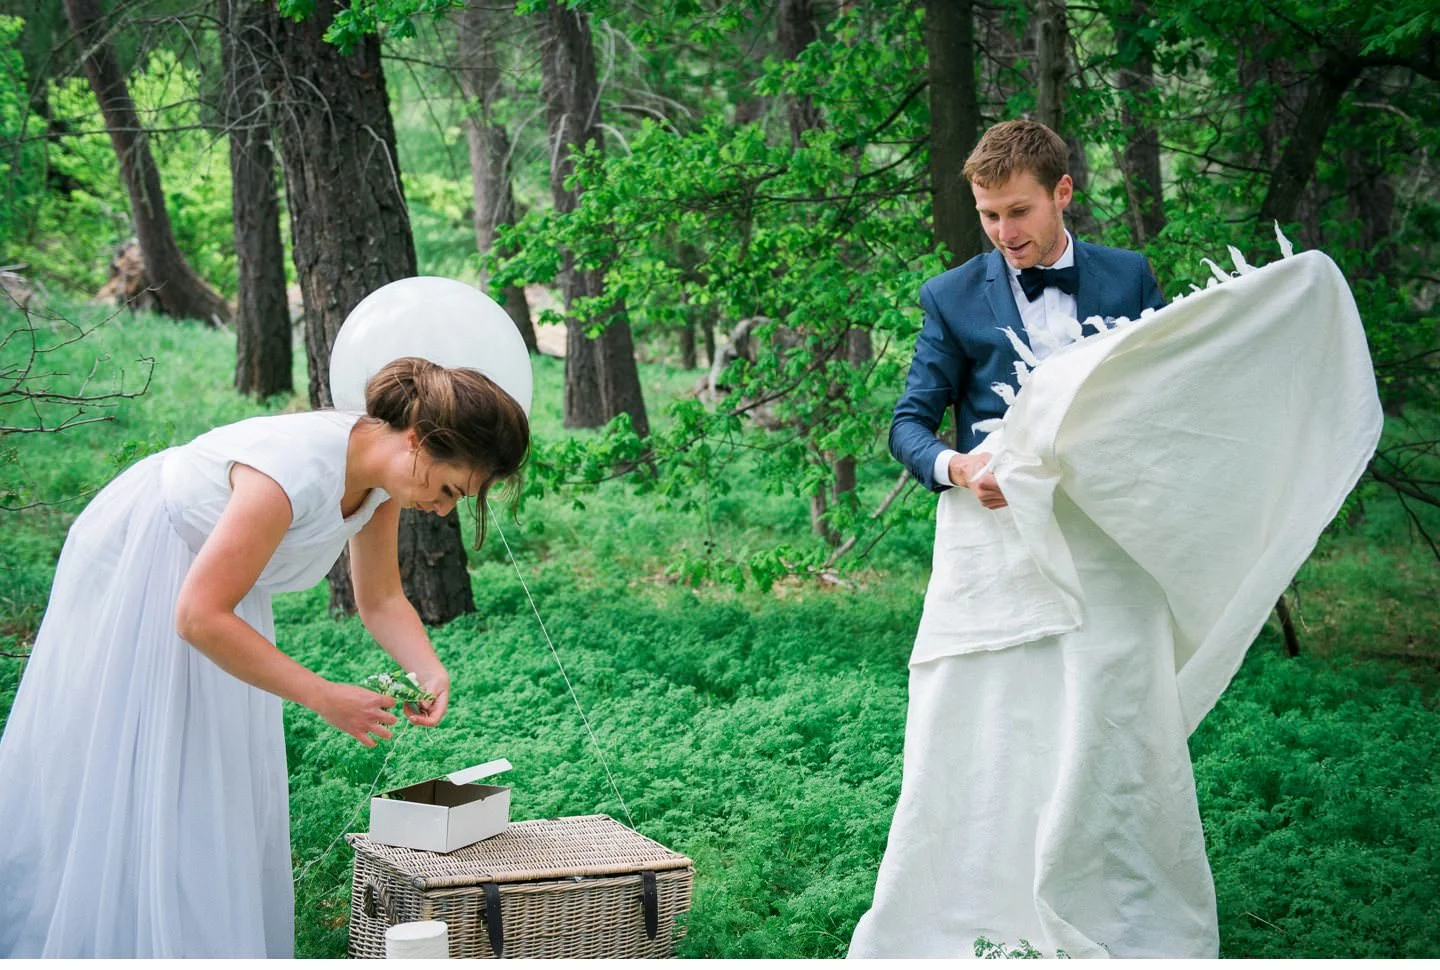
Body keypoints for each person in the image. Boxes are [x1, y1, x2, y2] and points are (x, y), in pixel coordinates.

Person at [0, 356, 530, 958]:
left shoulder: (382, 481)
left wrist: (428, 668)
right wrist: (323, 695)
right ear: (419, 440)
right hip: (151, 561)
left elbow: (380, 598)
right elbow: (198, 615)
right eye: (448, 490)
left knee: (212, 776)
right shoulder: (292, 472)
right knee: (133, 757)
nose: (441, 510)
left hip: (224, 591)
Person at [849, 120, 1203, 957]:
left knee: (1111, 722)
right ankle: (986, 908)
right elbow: (907, 423)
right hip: (994, 544)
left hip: (1108, 544)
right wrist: (956, 470)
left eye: (1018, 211)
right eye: (988, 215)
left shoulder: (1128, 275)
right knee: (994, 725)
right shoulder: (950, 295)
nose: (1005, 233)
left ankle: (1113, 903)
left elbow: (1163, 400)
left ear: (1063, 193)